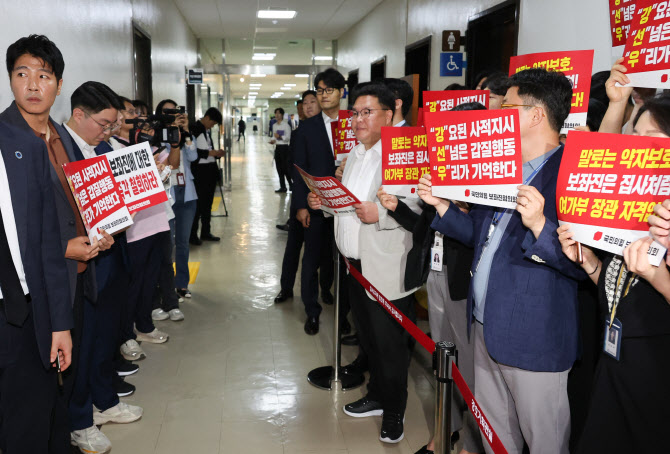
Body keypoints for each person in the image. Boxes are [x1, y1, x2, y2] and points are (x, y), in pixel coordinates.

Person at [418, 68, 584, 454]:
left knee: (545, 442)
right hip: (483, 326)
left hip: (534, 339)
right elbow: (479, 235)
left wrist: (540, 225)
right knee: (494, 438)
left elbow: (581, 265)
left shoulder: (573, 174)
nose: (496, 115)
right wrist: (442, 206)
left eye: (506, 107)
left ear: (536, 115)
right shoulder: (500, 167)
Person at [308, 83, 420, 444]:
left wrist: (381, 214)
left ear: (390, 113)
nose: (357, 120)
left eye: (367, 112)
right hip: (353, 264)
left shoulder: (403, 153)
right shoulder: (356, 154)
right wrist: (323, 203)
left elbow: (417, 210)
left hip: (385, 266)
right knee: (369, 339)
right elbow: (349, 204)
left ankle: (394, 411)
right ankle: (376, 396)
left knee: (390, 345)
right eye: (355, 113)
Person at [558, 95, 670, 454]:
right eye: (634, 136)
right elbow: (620, 287)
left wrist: (657, 276)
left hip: (656, 380)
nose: (637, 147)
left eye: (652, 139)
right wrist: (589, 262)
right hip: (614, 366)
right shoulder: (631, 207)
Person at [61, 81, 143, 451]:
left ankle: (105, 401)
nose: (109, 131)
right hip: (81, 262)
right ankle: (80, 420)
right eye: (104, 124)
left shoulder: (104, 148)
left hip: (111, 255)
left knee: (105, 335)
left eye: (113, 124)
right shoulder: (59, 149)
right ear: (79, 114)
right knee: (84, 341)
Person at [0, 117, 74, 453]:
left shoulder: (27, 148)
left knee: (28, 429)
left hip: (25, 315)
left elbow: (48, 247)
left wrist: (60, 324)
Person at [291, 68, 344, 334]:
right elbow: (298, 169)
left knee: (343, 259)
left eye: (329, 90)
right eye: (320, 90)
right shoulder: (307, 128)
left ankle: (344, 313)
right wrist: (301, 205)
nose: (323, 95)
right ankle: (312, 311)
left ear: (341, 92)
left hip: (348, 206)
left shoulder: (354, 124)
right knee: (311, 258)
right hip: (316, 203)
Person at [190, 107, 225, 244]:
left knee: (208, 204)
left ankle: (206, 231)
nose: (213, 126)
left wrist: (216, 154)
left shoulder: (206, 130)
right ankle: (193, 235)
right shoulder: (195, 129)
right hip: (200, 172)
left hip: (210, 170)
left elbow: (208, 149)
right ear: (207, 118)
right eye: (213, 123)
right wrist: (212, 153)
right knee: (199, 205)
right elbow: (195, 152)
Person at [270, 107, 292, 193]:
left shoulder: (286, 125)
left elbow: (288, 138)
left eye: (278, 113)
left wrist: (279, 136)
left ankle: (291, 185)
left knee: (285, 168)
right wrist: (273, 140)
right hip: (278, 148)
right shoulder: (274, 125)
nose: (277, 115)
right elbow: (274, 136)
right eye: (276, 113)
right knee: (279, 168)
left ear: (282, 115)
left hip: (285, 148)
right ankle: (283, 187)